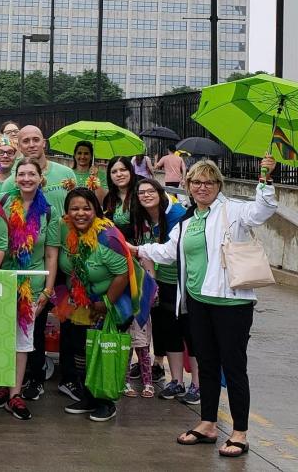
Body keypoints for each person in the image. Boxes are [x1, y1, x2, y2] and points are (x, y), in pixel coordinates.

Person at [135, 157, 277, 458]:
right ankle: (208, 423)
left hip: (231, 303)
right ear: (188, 185)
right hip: (197, 302)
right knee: (207, 364)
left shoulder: (234, 210)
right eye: (196, 182)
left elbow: (262, 211)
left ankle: (239, 432)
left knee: (234, 367)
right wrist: (136, 249)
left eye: (209, 182)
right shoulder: (188, 220)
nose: (202, 187)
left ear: (218, 185)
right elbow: (167, 251)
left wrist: (264, 180)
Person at [0, 158, 59, 420]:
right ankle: (1, 386)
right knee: (0, 336)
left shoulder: (48, 212)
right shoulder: (4, 201)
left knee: (22, 341)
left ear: (41, 178)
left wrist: (48, 290)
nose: (27, 179)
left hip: (32, 285)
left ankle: (15, 393)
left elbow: (51, 254)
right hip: (3, 279)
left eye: (32, 174)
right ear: (15, 178)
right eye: (22, 174)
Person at [59, 187, 132, 422]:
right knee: (81, 348)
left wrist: (105, 302)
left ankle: (105, 402)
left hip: (110, 306)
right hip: (84, 303)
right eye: (74, 209)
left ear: (96, 211)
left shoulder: (107, 236)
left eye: (86, 208)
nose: (80, 213)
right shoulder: (70, 232)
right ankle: (88, 395)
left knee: (102, 351)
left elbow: (122, 273)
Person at [130, 178, 191, 400]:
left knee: (189, 334)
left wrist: (137, 250)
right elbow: (148, 255)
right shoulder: (144, 219)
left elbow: (170, 251)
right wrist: (152, 282)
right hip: (162, 281)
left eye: (150, 191)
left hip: (183, 282)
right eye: (141, 192)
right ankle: (176, 381)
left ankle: (196, 384)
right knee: (168, 331)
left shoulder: (176, 215)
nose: (146, 195)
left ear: (160, 192)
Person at [0, 125, 76, 210]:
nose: (31, 145)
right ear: (19, 147)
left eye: (36, 140)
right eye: (26, 141)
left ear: (44, 143)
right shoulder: (11, 183)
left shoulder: (66, 173)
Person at [103, 156, 138, 229]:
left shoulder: (141, 193)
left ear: (130, 171)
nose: (119, 174)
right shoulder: (109, 198)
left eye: (123, 170)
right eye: (114, 172)